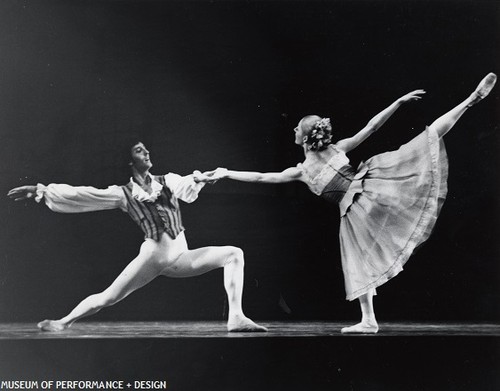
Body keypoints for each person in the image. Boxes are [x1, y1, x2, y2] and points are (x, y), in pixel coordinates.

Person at [196, 73, 497, 334]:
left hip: (367, 195)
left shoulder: (312, 165)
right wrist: (225, 173)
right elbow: (262, 177)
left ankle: (471, 99)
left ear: (305, 137)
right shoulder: (320, 159)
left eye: (297, 128)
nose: (293, 130)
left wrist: (398, 103)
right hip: (365, 203)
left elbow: (370, 127)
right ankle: (368, 320)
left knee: (421, 146)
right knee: (422, 143)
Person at [7, 140, 267, 332]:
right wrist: (40, 190)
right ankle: (62, 322)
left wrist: (203, 178)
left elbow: (188, 184)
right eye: (140, 150)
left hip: (181, 256)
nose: (147, 152)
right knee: (108, 297)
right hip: (153, 258)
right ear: (130, 161)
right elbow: (81, 194)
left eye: (146, 149)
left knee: (234, 254)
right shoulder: (122, 194)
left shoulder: (168, 181)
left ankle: (236, 317)